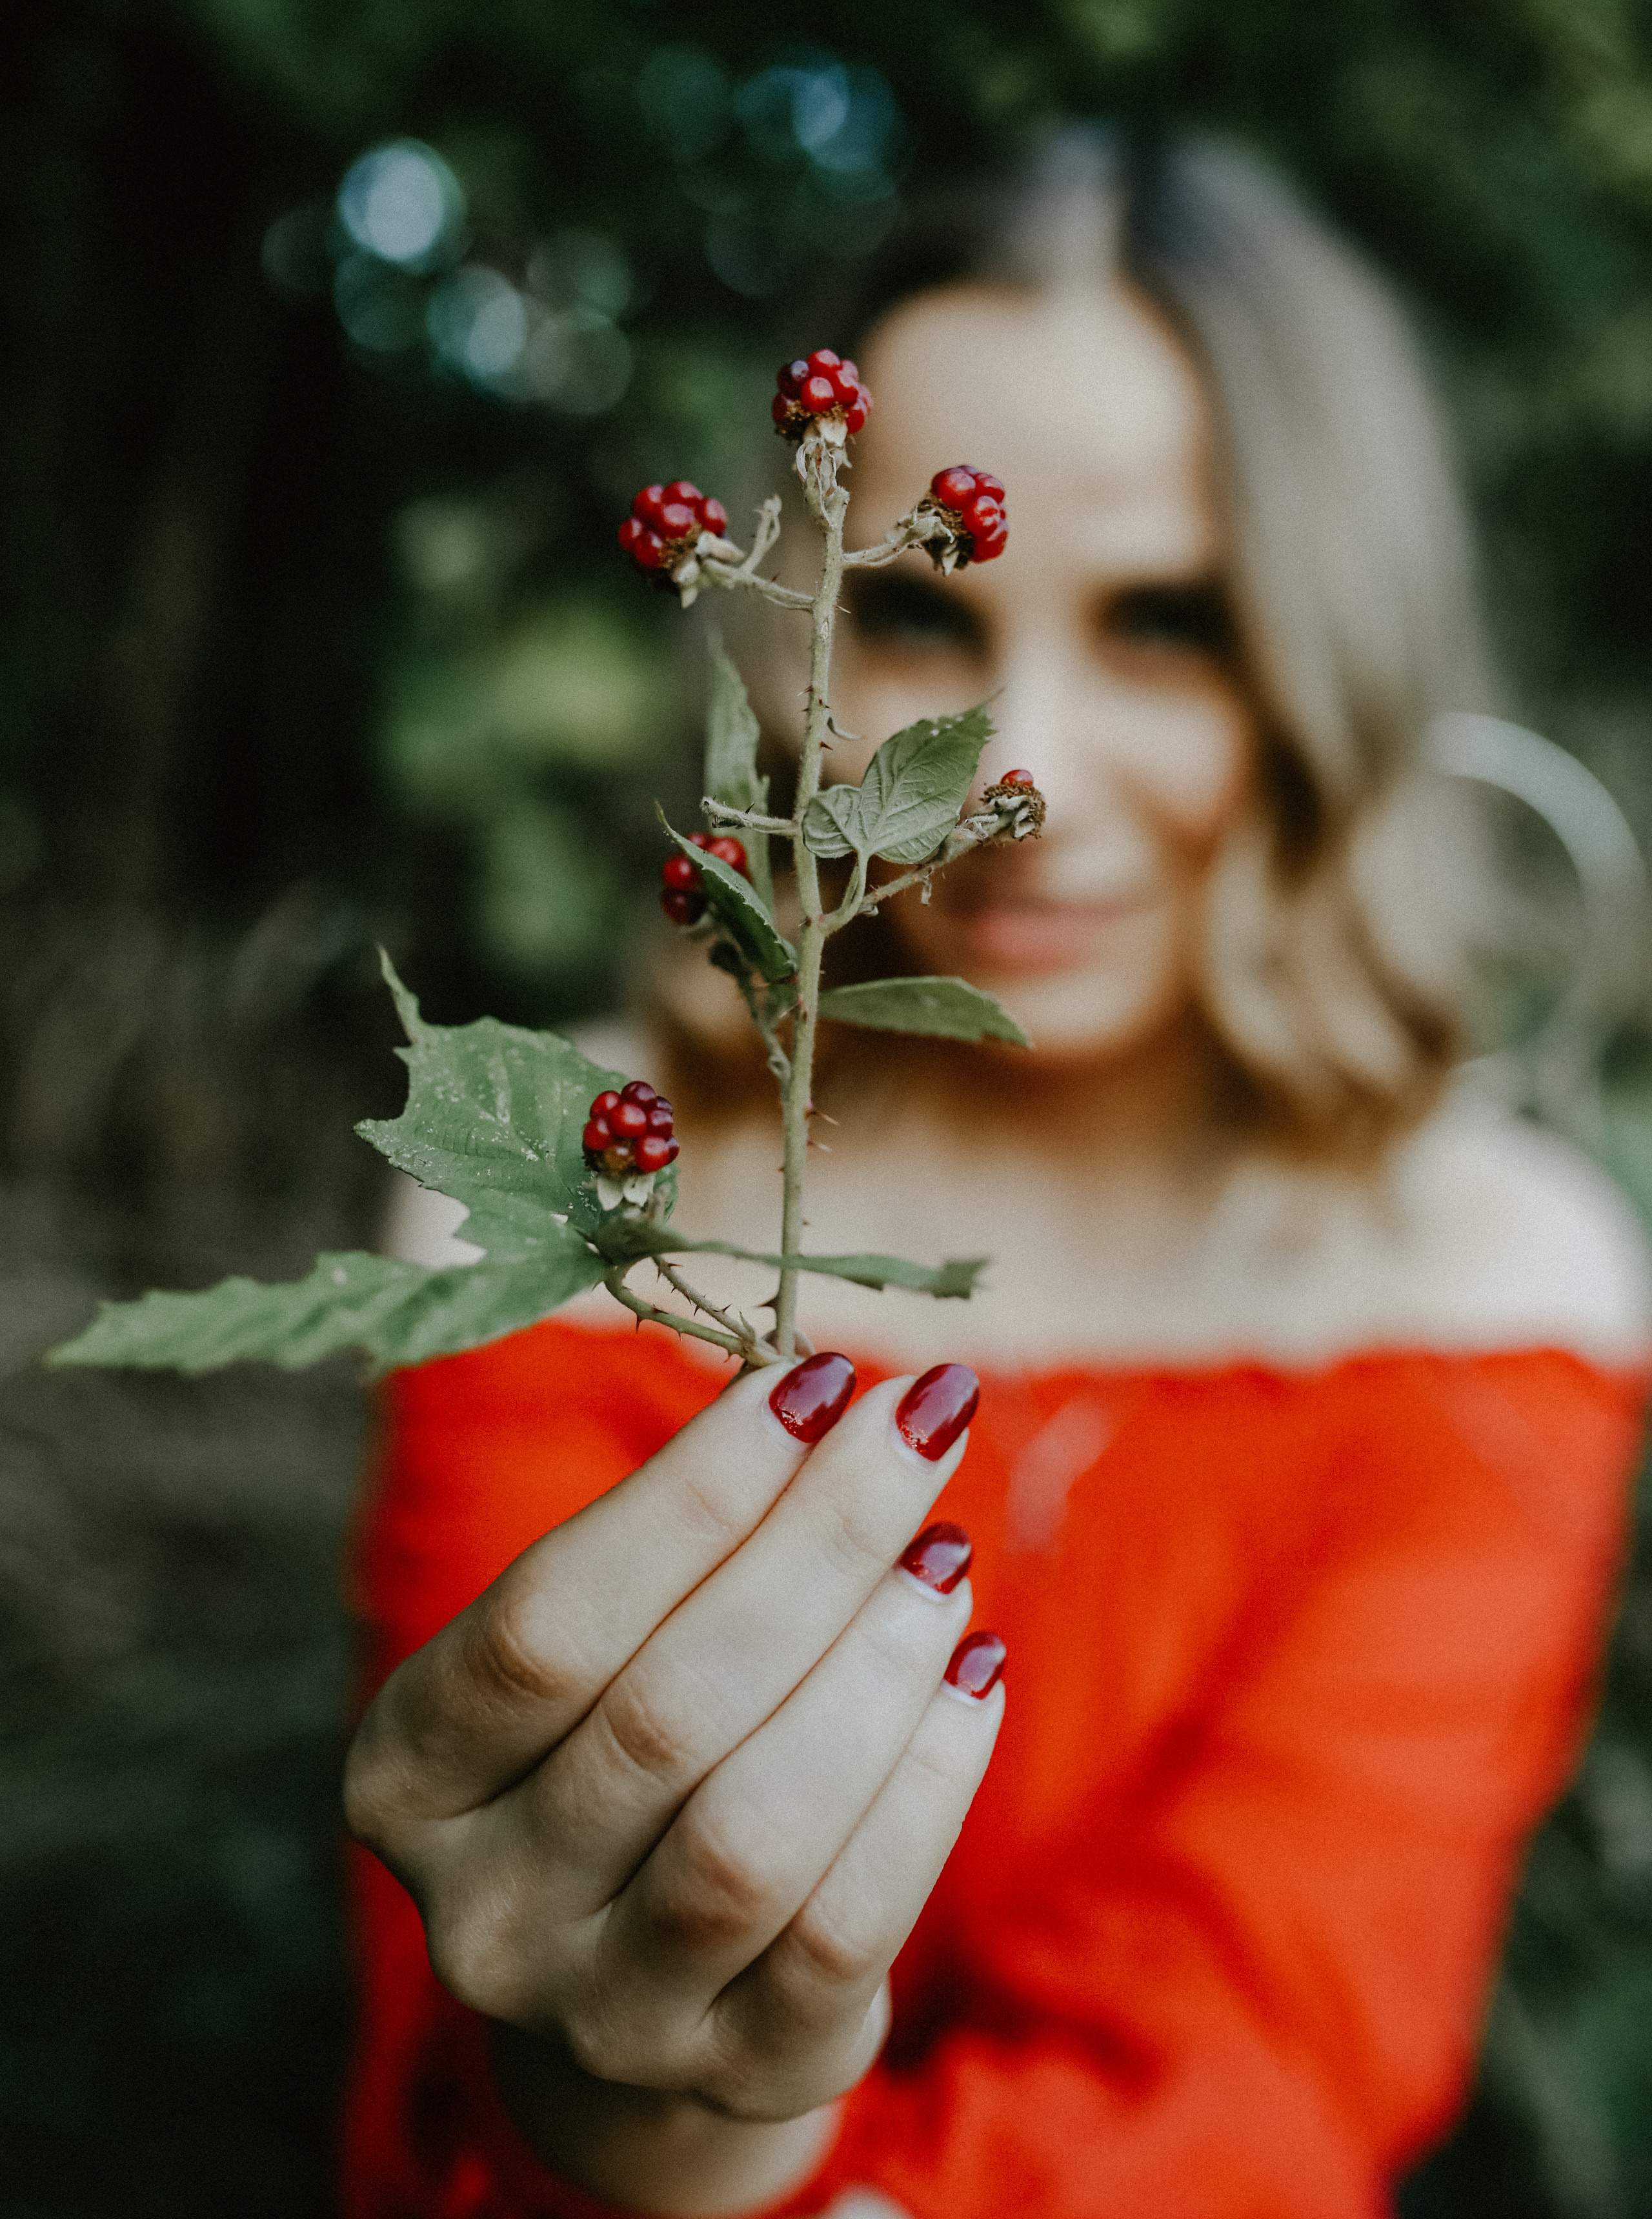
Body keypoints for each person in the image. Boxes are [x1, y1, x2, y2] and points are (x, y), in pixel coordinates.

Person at [343, 133, 1652, 2219]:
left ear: (1342, 662)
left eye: (1169, 624)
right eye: (929, 614)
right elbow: (465, 2054)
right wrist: (665, 2127)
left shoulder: (1495, 1286)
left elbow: (1269, 2075)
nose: (1026, 782)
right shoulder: (581, 1207)